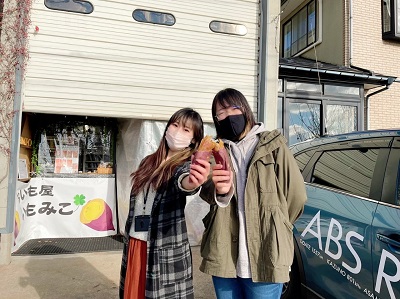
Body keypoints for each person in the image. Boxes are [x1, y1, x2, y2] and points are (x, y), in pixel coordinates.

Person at [198, 88, 307, 299]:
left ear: (245, 109)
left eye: (232, 108)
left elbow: (296, 196)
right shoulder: (216, 149)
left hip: (266, 254)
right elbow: (206, 192)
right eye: (220, 113)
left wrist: (279, 226)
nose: (227, 116)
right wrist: (220, 192)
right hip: (223, 253)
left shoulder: (273, 145)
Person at [119, 108, 210, 299]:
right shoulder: (148, 162)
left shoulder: (185, 165)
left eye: (186, 130)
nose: (177, 132)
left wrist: (193, 180)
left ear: (193, 139)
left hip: (163, 247)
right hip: (136, 242)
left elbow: (184, 182)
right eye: (175, 125)